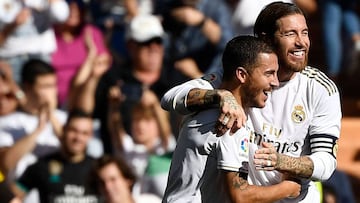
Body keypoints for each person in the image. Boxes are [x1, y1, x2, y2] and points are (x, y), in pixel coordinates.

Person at [161, 2, 341, 203]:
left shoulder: (320, 89)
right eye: (290, 34)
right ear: (266, 39)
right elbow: (171, 98)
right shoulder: (237, 79)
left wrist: (282, 161)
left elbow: (326, 162)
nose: (301, 42)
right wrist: (222, 96)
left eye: (305, 33)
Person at [163, 35, 302, 203]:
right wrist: (288, 188)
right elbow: (240, 196)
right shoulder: (230, 122)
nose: (275, 82)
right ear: (242, 75)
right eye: (269, 74)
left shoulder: (203, 105)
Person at [94, 14, 170, 153]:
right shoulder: (112, 79)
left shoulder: (176, 77)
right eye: (146, 43)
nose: (153, 48)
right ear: (130, 46)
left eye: (158, 41)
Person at [13, 109, 102, 203]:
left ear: (91, 136)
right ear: (64, 129)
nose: (78, 138)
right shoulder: (42, 166)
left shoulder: (99, 167)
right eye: (73, 131)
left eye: (84, 133)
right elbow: (12, 196)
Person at [0, 0, 69, 83]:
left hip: (41, 56)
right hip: (12, 58)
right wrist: (13, 25)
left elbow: (61, 16)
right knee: (17, 94)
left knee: (43, 93)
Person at [94, 154, 162, 203]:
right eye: (102, 183)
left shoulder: (151, 201)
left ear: (127, 180)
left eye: (113, 179)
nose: (107, 187)